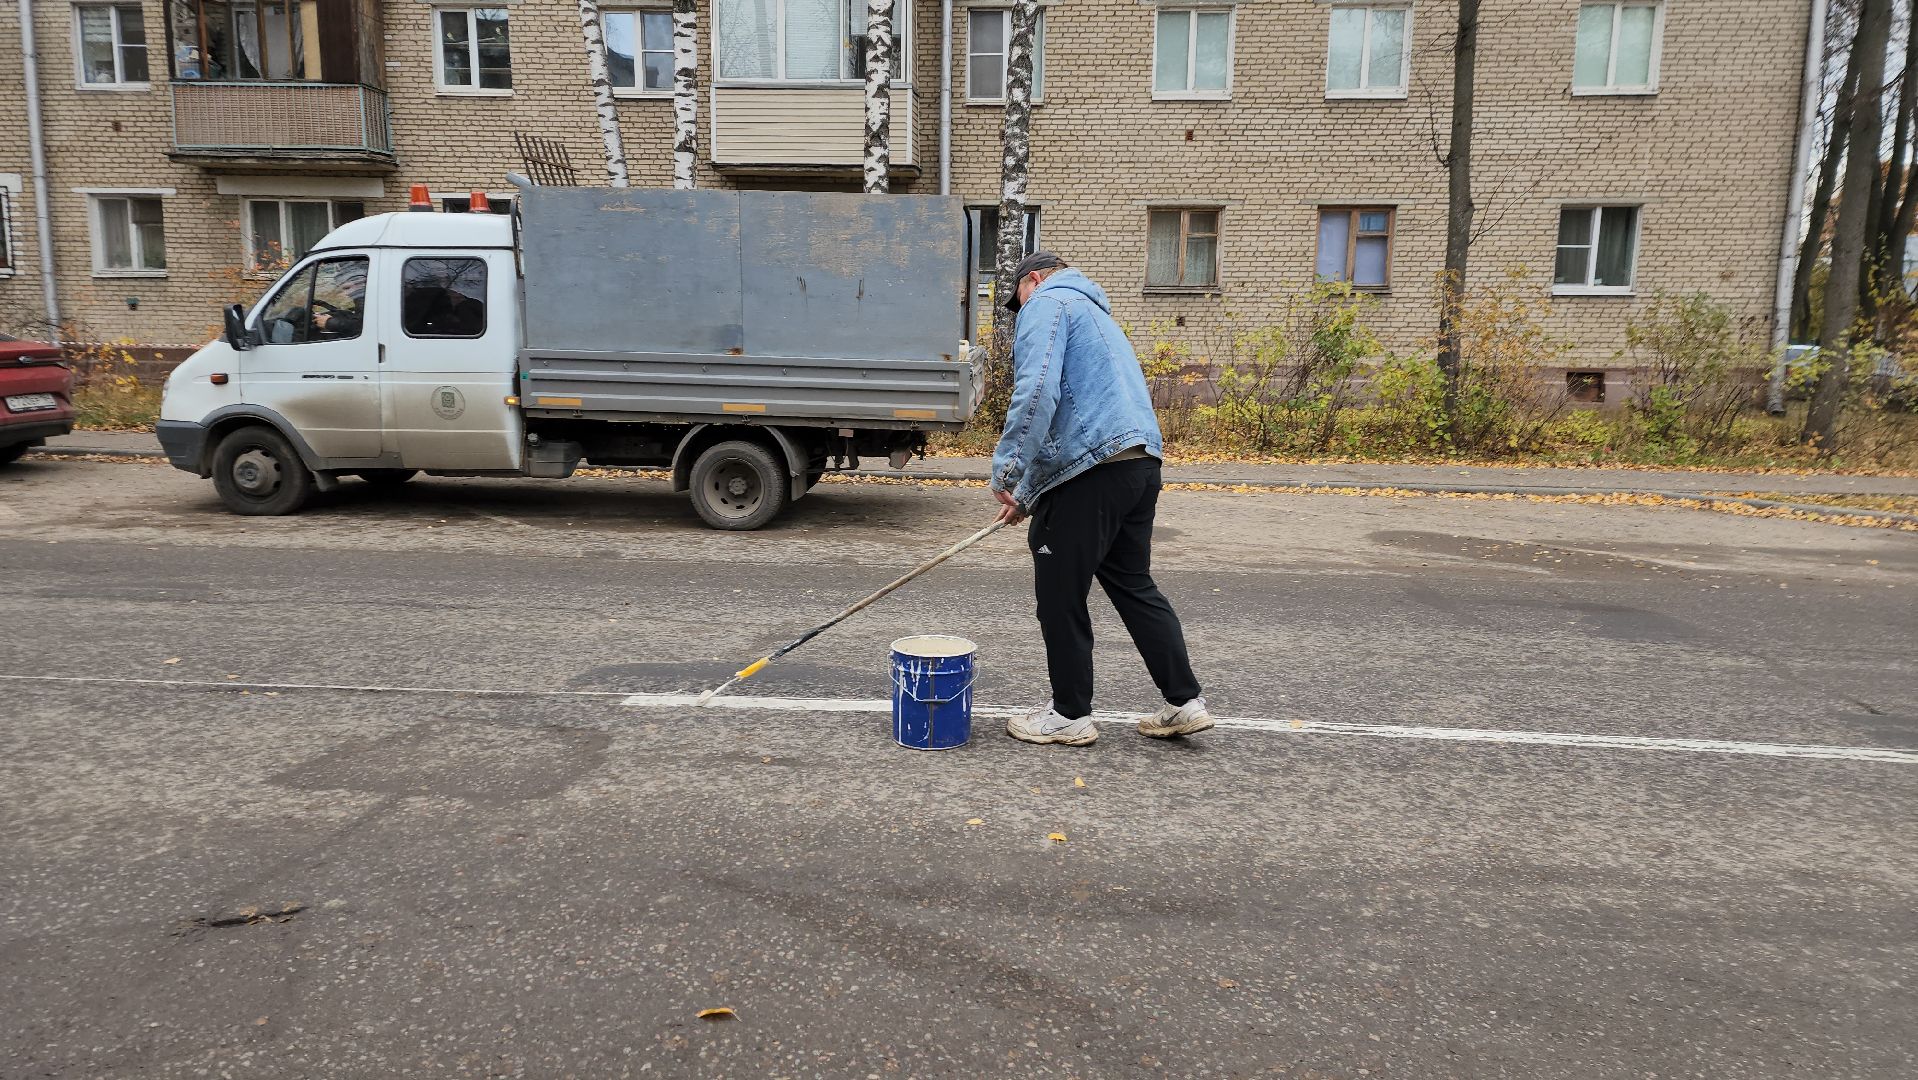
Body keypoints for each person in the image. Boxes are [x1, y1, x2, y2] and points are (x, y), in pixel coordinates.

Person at [989, 251, 1209, 747]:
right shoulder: (1099, 316)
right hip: (1138, 465)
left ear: (1035, 279)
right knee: (1133, 584)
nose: (1018, 308)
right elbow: (1080, 419)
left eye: (1017, 297)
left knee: (1060, 596)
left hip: (1092, 475)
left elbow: (1038, 392)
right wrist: (1027, 494)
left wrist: (1007, 470)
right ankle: (1183, 702)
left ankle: (1069, 714)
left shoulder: (1047, 304)